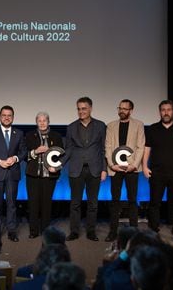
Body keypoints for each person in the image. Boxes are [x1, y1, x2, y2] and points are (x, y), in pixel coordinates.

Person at [142, 100, 173, 243]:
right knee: (154, 203)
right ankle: (153, 230)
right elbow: (147, 149)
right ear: (160, 112)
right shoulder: (152, 129)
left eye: (169, 110)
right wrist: (144, 166)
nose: (166, 112)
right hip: (156, 173)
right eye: (163, 110)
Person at [63, 97, 107, 242]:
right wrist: (59, 164)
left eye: (84, 108)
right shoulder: (71, 127)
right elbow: (68, 149)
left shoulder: (101, 126)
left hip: (95, 169)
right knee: (75, 203)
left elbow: (103, 149)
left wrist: (104, 169)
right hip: (76, 170)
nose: (81, 111)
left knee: (92, 203)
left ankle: (91, 231)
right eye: (79, 108)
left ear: (90, 109)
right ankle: (74, 231)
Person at [104, 99, 145, 242]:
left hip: (132, 168)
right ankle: (113, 231)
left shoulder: (139, 125)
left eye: (125, 109)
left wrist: (134, 165)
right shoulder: (110, 126)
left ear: (131, 110)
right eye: (120, 108)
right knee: (115, 200)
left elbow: (141, 146)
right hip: (115, 168)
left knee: (132, 200)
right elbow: (108, 147)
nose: (122, 111)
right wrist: (111, 164)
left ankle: (134, 233)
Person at [0, 105, 26, 242]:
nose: (7, 118)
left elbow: (23, 152)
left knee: (12, 204)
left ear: (13, 117)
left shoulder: (19, 133)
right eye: (4, 115)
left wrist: (15, 158)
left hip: (13, 174)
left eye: (9, 115)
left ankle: (11, 231)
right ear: (0, 116)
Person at [25, 112, 64, 238]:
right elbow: (24, 155)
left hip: (49, 176)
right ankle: (33, 231)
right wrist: (35, 152)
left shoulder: (56, 136)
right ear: (36, 122)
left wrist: (57, 167)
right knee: (33, 204)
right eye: (39, 120)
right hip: (33, 175)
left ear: (48, 122)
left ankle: (46, 230)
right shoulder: (30, 135)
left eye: (44, 120)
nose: (42, 123)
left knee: (47, 204)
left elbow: (61, 155)